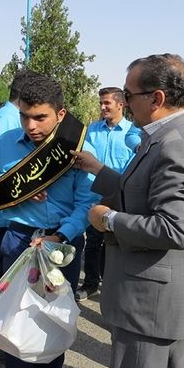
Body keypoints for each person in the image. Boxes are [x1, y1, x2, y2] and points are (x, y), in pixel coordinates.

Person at [73, 53, 184, 368]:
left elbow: (174, 228)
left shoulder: (179, 144)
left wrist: (107, 219)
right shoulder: (166, 134)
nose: (124, 103)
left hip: (151, 302)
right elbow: (141, 191)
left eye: (129, 94)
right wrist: (98, 169)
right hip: (163, 298)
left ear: (156, 98)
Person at [0, 73, 95, 368]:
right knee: (16, 314)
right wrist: (17, 187)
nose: (31, 125)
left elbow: (86, 202)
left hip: (62, 245)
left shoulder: (77, 150)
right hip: (17, 239)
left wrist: (61, 236)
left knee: (55, 313)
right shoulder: (6, 142)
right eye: (24, 116)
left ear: (60, 114)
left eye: (40, 117)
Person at [0, 70, 36, 305]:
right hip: (2, 215)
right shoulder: (8, 122)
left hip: (7, 213)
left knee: (4, 280)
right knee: (0, 281)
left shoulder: (6, 116)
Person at [75, 87, 140, 302]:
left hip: (121, 198)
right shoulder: (91, 131)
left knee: (115, 246)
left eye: (107, 103)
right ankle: (90, 283)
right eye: (101, 103)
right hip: (95, 196)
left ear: (120, 104)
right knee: (93, 243)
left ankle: (112, 287)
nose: (102, 107)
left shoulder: (134, 133)